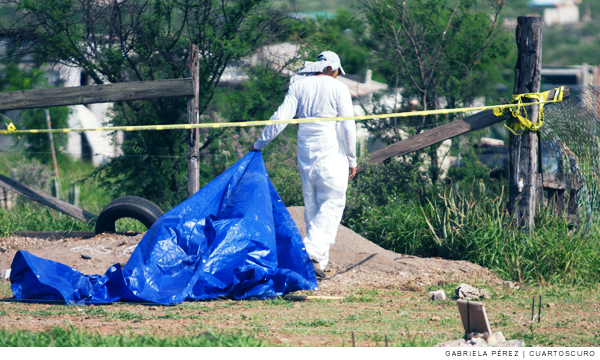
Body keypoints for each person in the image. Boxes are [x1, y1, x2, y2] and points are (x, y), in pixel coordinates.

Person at [251, 51, 357, 279]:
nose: (337, 75)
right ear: (330, 68)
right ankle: (310, 251)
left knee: (312, 207)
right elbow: (348, 127)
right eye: (337, 71)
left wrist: (259, 143)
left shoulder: (299, 85)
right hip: (330, 149)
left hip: (305, 150)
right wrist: (352, 158)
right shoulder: (339, 89)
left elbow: (281, 117)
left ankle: (316, 264)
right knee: (332, 201)